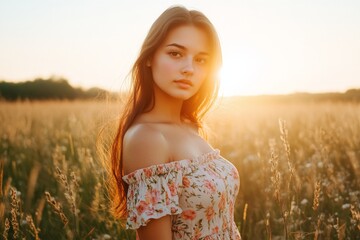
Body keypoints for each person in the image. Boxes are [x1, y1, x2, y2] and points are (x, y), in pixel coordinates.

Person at [109, 5, 241, 240]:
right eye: (175, 54)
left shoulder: (191, 126)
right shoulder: (146, 139)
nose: (189, 69)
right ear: (149, 57)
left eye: (201, 60)